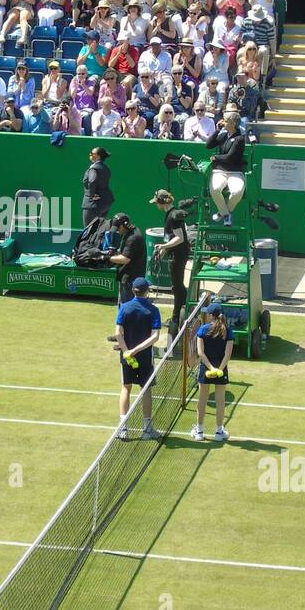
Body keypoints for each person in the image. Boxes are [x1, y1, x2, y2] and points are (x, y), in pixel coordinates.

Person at [115, 276, 163, 441]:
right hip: (144, 357)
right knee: (146, 390)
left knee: (125, 388)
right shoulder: (153, 310)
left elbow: (118, 333)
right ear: (147, 291)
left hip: (127, 357)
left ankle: (123, 429)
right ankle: (147, 430)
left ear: (133, 290)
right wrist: (136, 350)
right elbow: (155, 337)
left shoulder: (124, 308)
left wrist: (127, 351)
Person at [150, 187, 194, 338]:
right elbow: (172, 239)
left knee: (177, 286)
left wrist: (164, 247)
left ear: (162, 202)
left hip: (179, 255)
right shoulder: (171, 214)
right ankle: (179, 314)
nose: (156, 205)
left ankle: (177, 317)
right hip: (176, 253)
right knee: (177, 285)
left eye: (157, 203)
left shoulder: (174, 216)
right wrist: (164, 250)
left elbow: (179, 238)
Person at [191, 302, 233, 442]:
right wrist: (219, 370)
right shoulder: (228, 331)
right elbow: (227, 355)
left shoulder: (203, 330)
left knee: (202, 399)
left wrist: (211, 368)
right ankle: (219, 432)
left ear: (210, 316)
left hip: (205, 369)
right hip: (221, 370)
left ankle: (200, 431)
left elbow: (200, 353)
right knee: (220, 401)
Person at [206, 107, 247, 224]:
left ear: (233, 123)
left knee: (237, 191)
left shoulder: (240, 139)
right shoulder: (224, 135)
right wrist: (217, 130)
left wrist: (215, 157)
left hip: (235, 172)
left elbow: (229, 157)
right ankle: (226, 215)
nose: (222, 122)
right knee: (215, 189)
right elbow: (208, 145)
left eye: (225, 120)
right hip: (220, 171)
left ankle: (222, 213)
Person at [82, 145, 114, 226]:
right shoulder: (106, 167)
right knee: (99, 229)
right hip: (106, 202)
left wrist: (91, 195)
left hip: (93, 204)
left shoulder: (94, 168)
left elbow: (92, 181)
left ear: (98, 156)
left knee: (88, 229)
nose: (90, 154)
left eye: (92, 153)